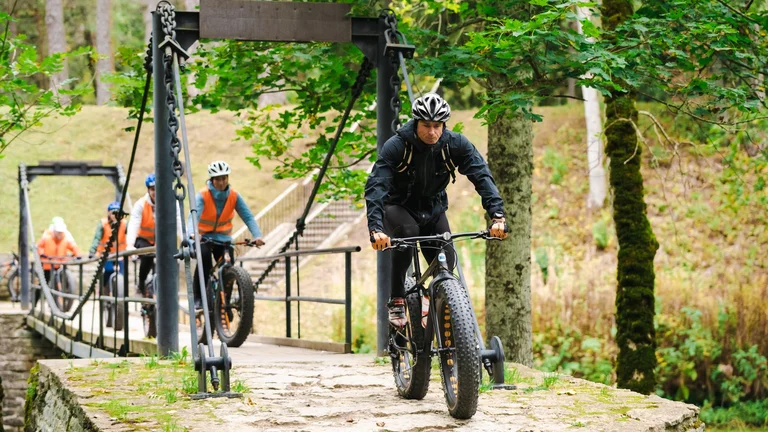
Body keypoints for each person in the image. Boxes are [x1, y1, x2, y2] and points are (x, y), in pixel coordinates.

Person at [364, 93, 508, 327]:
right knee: (407, 234)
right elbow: (376, 186)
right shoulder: (397, 146)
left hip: (433, 209)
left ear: (444, 125)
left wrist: (497, 215)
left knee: (446, 261)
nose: (432, 132)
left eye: (437, 126)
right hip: (398, 207)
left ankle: (431, 300)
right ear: (416, 123)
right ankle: (398, 299)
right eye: (426, 126)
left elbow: (482, 176)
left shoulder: (455, 144)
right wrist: (376, 229)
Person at [190, 160, 265, 310]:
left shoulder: (234, 196)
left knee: (228, 266)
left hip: (223, 239)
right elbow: (193, 216)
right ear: (212, 180)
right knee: (204, 259)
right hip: (203, 237)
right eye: (218, 179)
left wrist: (257, 235)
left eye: (224, 178)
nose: (222, 182)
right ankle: (198, 298)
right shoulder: (203, 195)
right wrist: (192, 232)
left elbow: (248, 216)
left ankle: (225, 304)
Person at [88, 201, 127, 289]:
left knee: (122, 274)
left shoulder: (124, 224)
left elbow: (132, 234)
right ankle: (104, 288)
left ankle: (122, 295)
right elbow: (97, 238)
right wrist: (92, 251)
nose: (115, 215)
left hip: (120, 254)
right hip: (106, 254)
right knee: (108, 271)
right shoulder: (103, 223)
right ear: (109, 213)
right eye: (113, 212)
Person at [37, 218, 81, 289]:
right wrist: (42, 254)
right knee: (44, 282)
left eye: (61, 232)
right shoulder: (47, 238)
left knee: (62, 280)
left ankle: (62, 296)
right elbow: (39, 246)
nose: (60, 234)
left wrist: (78, 255)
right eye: (58, 232)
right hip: (48, 265)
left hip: (60, 264)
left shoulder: (65, 240)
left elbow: (74, 247)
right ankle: (35, 298)